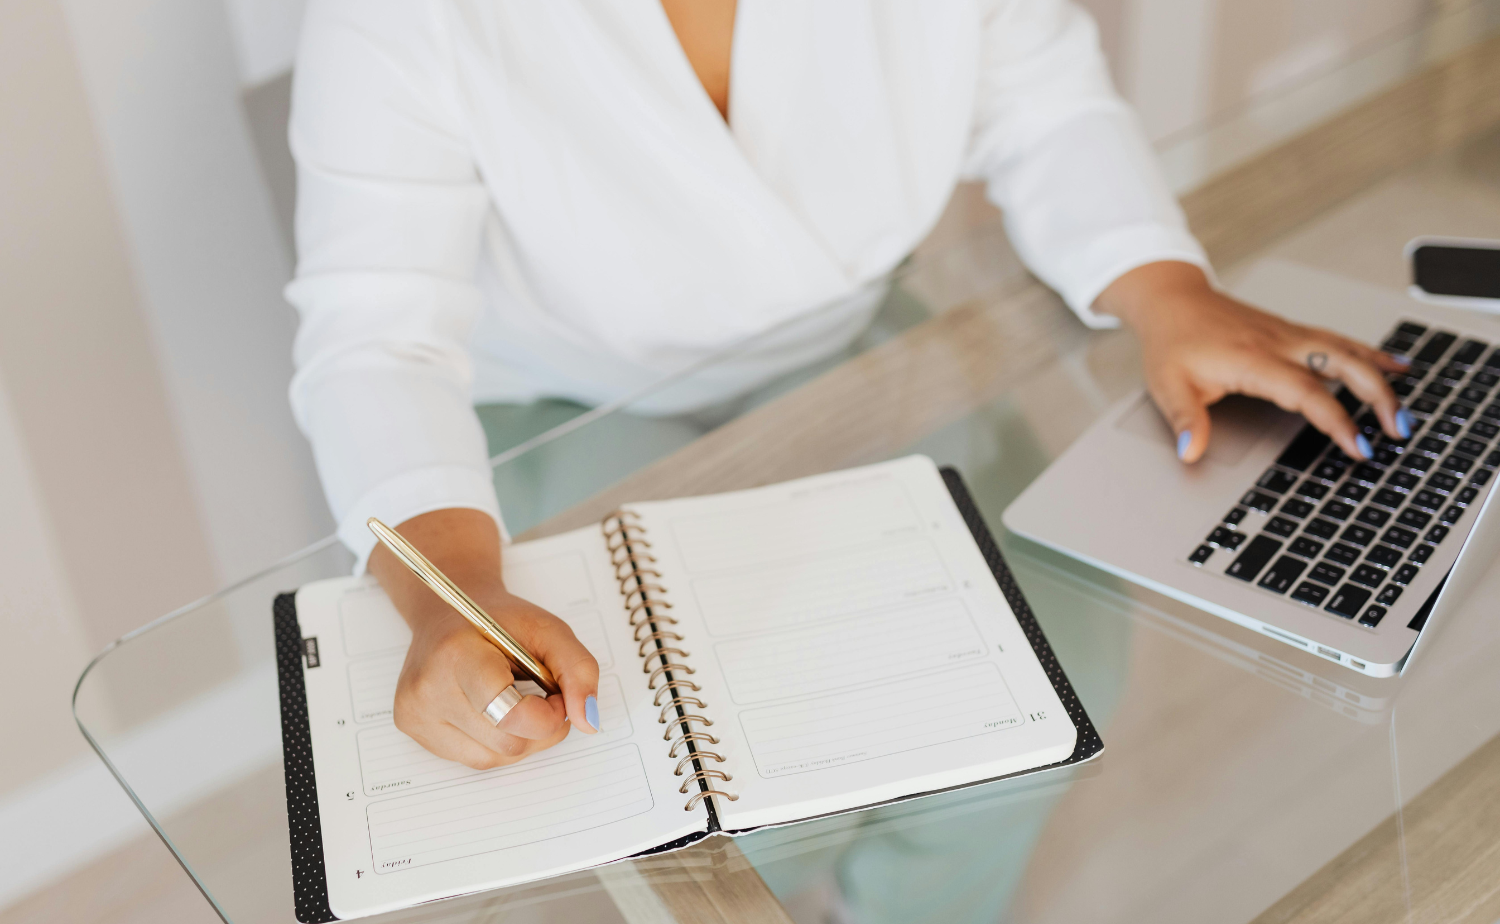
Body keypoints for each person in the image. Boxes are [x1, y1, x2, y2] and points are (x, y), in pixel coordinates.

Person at [286, 0, 1412, 773]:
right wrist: (450, 595)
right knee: (717, 739)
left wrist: (1164, 288)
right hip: (554, 403)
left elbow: (1043, 100)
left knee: (1055, 665)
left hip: (851, 343)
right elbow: (378, 338)